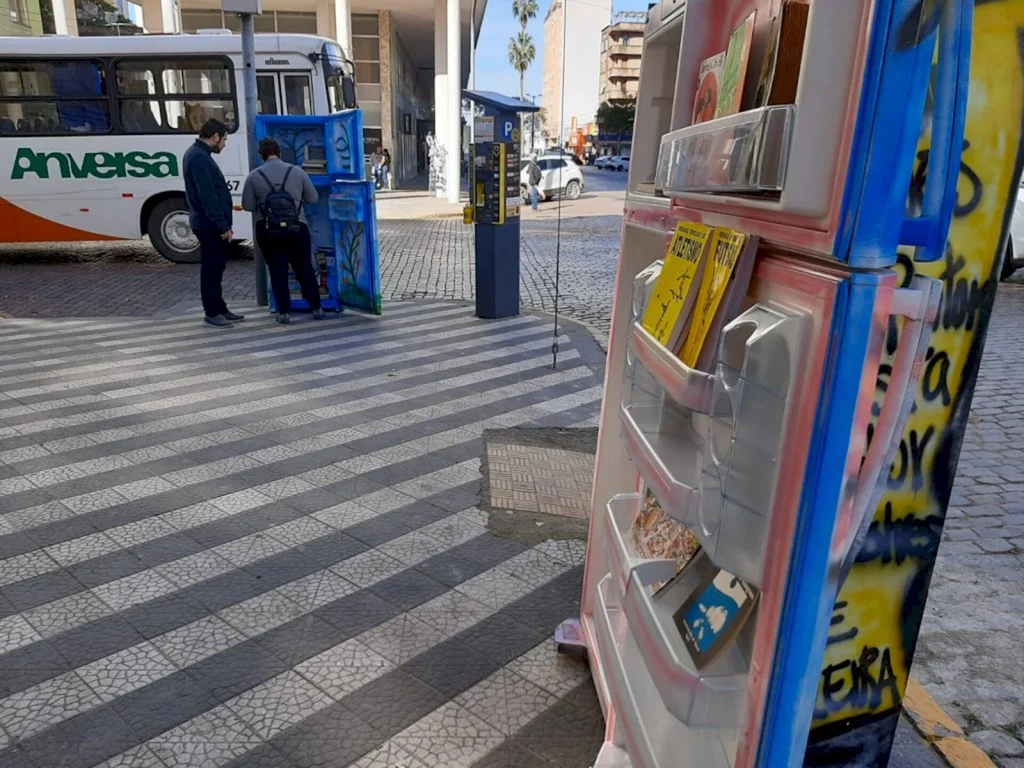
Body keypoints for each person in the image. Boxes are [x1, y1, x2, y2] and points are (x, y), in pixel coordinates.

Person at [242, 137, 325, 325]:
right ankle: (316, 307)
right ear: (279, 152)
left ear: (261, 155)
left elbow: (248, 206)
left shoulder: (254, 176)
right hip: (297, 228)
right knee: (304, 267)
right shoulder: (296, 171)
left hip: (269, 231)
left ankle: (283, 312)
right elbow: (313, 198)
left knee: (277, 269)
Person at [183, 118, 244, 329]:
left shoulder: (199, 155)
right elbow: (208, 196)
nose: (224, 145)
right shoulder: (199, 158)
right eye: (224, 140)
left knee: (216, 268)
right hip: (208, 225)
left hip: (207, 223)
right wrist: (222, 226)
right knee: (212, 269)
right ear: (215, 137)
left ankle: (220, 308)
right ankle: (212, 312)